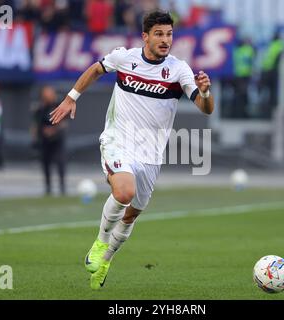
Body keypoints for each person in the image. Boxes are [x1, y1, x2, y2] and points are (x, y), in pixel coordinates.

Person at [49, 10, 214, 290]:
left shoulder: (178, 69)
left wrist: (206, 93)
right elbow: (96, 69)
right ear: (145, 36)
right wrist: (71, 97)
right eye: (159, 34)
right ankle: (100, 244)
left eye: (169, 34)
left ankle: (107, 260)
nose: (165, 40)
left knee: (131, 215)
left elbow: (205, 109)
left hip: (151, 155)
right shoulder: (125, 58)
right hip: (119, 140)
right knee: (124, 192)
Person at [31, 85, 67, 196]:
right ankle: (48, 187)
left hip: (57, 140)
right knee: (45, 163)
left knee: (60, 162)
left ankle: (62, 186)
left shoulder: (59, 105)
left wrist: (53, 130)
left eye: (50, 92)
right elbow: (35, 125)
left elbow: (64, 123)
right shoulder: (40, 108)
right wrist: (36, 137)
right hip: (44, 140)